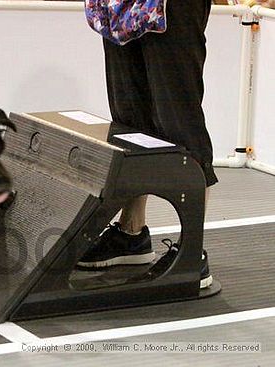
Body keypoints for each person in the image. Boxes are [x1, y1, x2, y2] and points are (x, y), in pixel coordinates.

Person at [78, 0, 217, 289]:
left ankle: (192, 250)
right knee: (129, 124)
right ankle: (131, 234)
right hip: (118, 5)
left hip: (173, 6)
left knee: (179, 121)